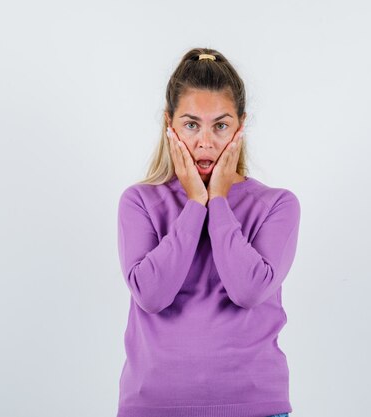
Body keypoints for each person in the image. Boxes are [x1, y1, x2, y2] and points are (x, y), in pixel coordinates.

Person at [116, 47, 300, 417]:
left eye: (220, 125)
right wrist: (193, 206)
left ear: (240, 126)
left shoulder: (277, 205)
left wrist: (218, 201)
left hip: (254, 407)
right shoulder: (139, 202)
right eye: (190, 124)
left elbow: (248, 290)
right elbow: (151, 295)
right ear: (169, 125)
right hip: (153, 407)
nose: (205, 142)